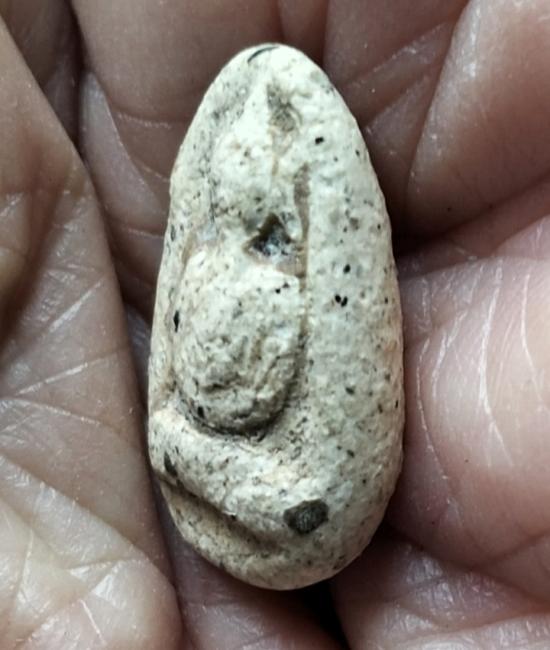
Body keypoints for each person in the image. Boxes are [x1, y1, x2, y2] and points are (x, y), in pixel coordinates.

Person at [1, 1, 549, 648]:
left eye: (264, 230)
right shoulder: (212, 255)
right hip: (225, 455)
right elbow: (180, 402)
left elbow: (312, 488)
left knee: (297, 505)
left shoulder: (300, 257)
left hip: (292, 484)